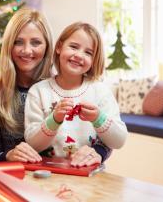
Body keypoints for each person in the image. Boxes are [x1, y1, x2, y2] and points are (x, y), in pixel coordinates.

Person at [0, 9, 112, 166]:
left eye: (36, 42)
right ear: (8, 46)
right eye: (18, 42)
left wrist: (98, 153)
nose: (27, 50)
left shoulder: (66, 86)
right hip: (16, 180)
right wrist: (7, 156)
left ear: (48, 46)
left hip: (71, 176)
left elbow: (107, 135)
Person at [24, 22, 127, 166]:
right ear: (59, 47)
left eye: (88, 52)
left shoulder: (100, 91)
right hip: (48, 173)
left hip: (90, 174)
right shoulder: (39, 91)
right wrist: (54, 120)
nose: (79, 55)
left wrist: (99, 118)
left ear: (93, 60)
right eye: (73, 47)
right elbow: (32, 144)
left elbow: (119, 141)